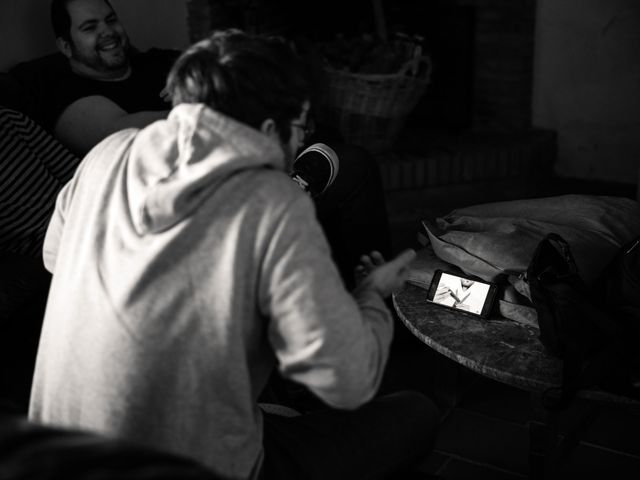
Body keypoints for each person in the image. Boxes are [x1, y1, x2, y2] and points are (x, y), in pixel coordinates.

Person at [28, 29, 439, 480]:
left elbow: (54, 257)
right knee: (415, 413)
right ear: (267, 129)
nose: (301, 144)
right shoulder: (272, 202)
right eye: (300, 128)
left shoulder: (108, 153)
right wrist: (369, 298)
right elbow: (348, 381)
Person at [10, 0, 391, 289]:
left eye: (110, 19)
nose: (107, 31)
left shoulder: (160, 62)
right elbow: (123, 131)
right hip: (195, 199)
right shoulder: (64, 90)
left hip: (242, 169)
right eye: (89, 27)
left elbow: (245, 80)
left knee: (340, 154)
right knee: (348, 165)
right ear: (65, 44)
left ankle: (364, 286)